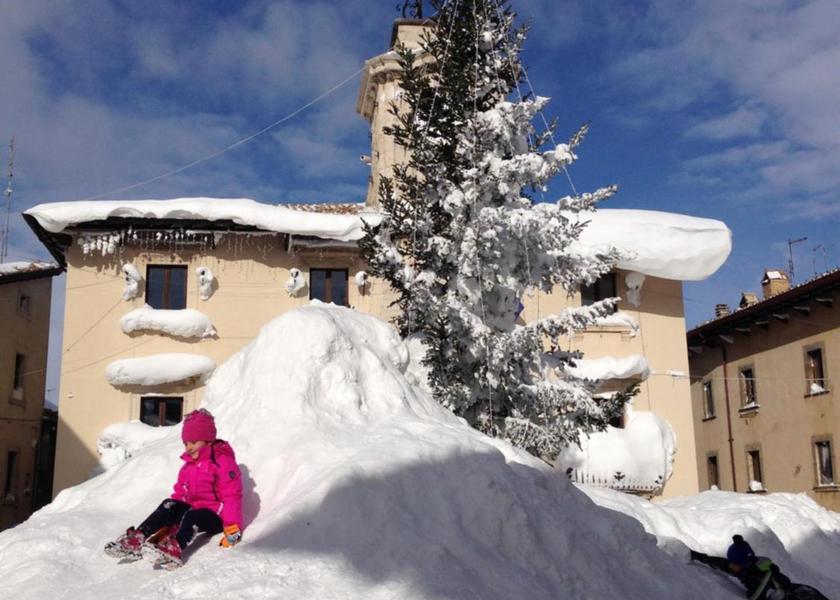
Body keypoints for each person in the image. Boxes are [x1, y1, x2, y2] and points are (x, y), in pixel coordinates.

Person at [104, 409, 243, 568]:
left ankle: (175, 548)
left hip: (214, 516)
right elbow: (180, 495)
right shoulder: (188, 466)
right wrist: (169, 522)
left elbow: (232, 496)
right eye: (185, 443)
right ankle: (138, 538)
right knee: (168, 504)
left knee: (194, 516)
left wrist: (232, 526)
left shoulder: (222, 462)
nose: (188, 448)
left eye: (193, 442)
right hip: (192, 512)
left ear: (208, 440)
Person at [726, 535, 791, 600]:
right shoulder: (753, 562)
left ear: (743, 565)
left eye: (733, 564)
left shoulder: (754, 578)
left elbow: (754, 596)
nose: (730, 566)